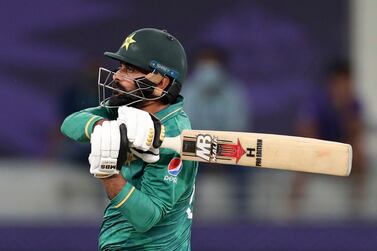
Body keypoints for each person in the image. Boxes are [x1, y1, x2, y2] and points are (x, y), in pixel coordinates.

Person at [61, 28, 198, 250]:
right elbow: (70, 123)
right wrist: (104, 127)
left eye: (129, 69)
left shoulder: (174, 133)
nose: (116, 76)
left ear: (161, 82)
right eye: (120, 67)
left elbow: (146, 218)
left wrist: (108, 174)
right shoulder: (127, 109)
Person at [290, 60, 365, 217]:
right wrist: (321, 150)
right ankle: (292, 211)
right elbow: (304, 129)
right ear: (331, 82)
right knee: (300, 161)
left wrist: (344, 110)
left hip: (342, 151)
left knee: (360, 156)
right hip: (319, 147)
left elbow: (356, 133)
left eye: (346, 82)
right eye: (339, 81)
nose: (342, 86)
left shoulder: (353, 103)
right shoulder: (317, 101)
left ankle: (357, 209)